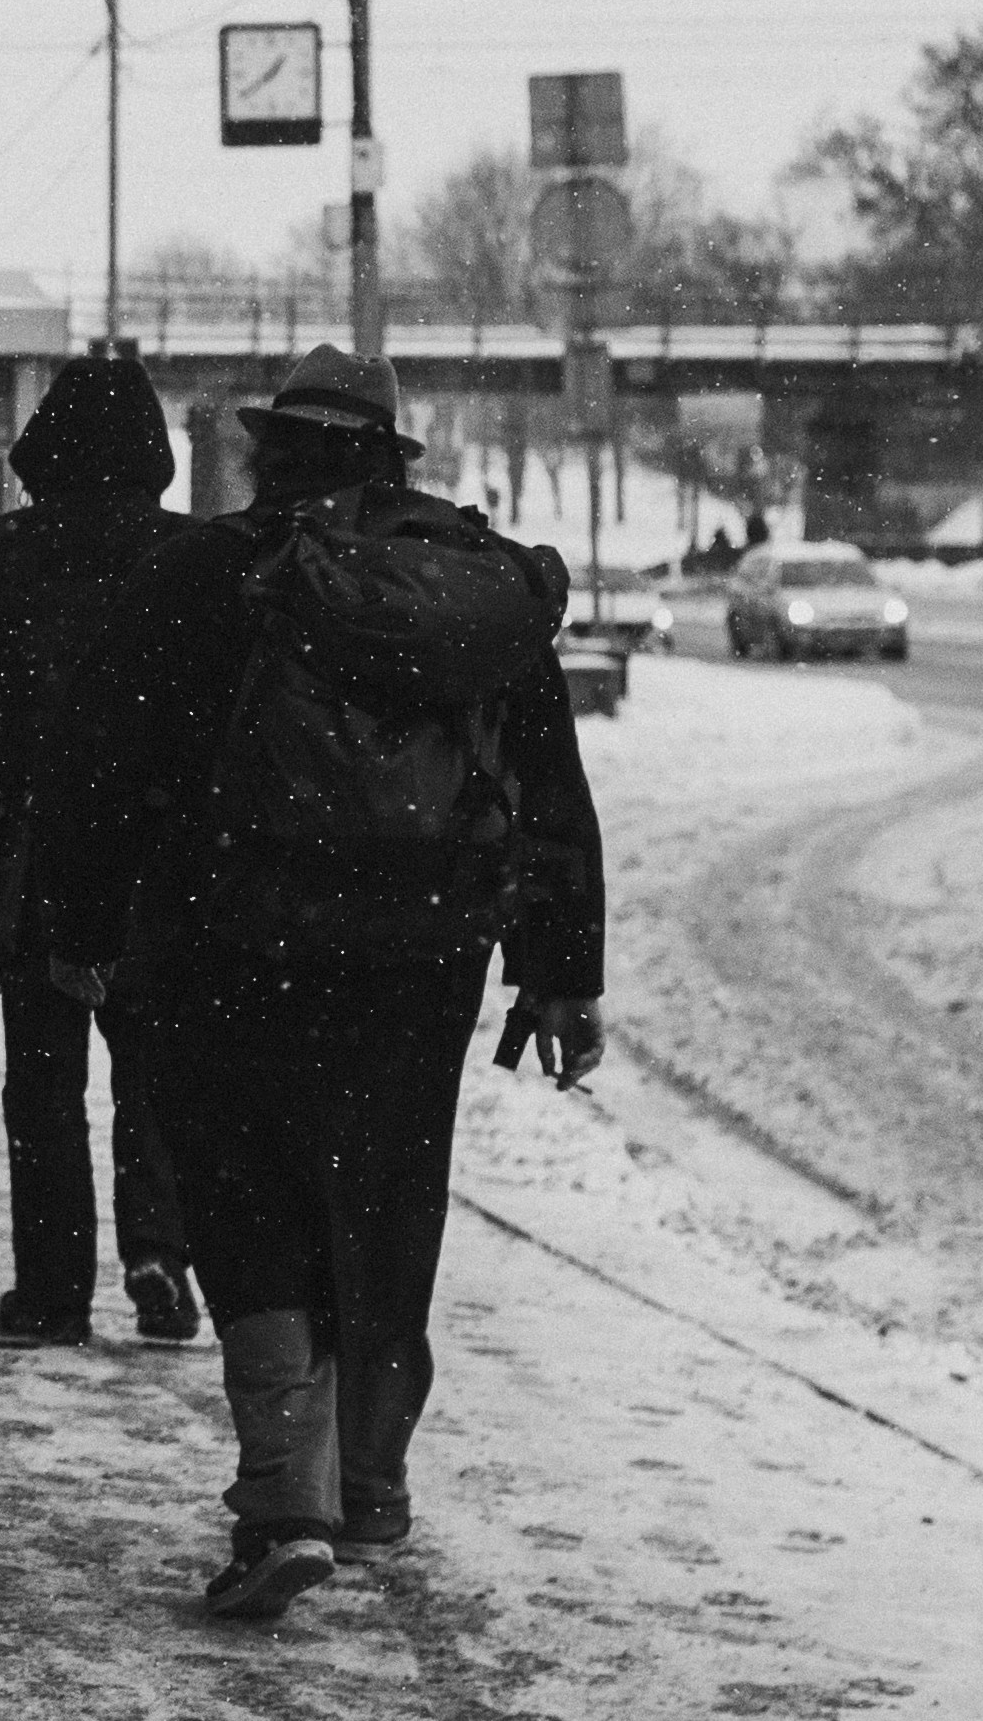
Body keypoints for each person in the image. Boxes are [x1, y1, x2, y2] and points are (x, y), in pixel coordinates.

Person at [34, 346, 606, 1631]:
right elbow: (548, 785)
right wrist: (563, 971)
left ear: (269, 448)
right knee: (389, 1189)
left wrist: (78, 920)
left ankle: (285, 1498)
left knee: (249, 1201)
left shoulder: (204, 573)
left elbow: (101, 756)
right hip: (421, 950)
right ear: (389, 454)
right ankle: (373, 1474)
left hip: (228, 935)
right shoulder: (469, 587)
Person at [0, 357, 199, 1351]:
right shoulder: (192, 556)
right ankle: (159, 1249)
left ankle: (52, 1286)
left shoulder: (2, 554)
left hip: (38, 844)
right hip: (161, 856)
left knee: (41, 1077)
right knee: (154, 1068)